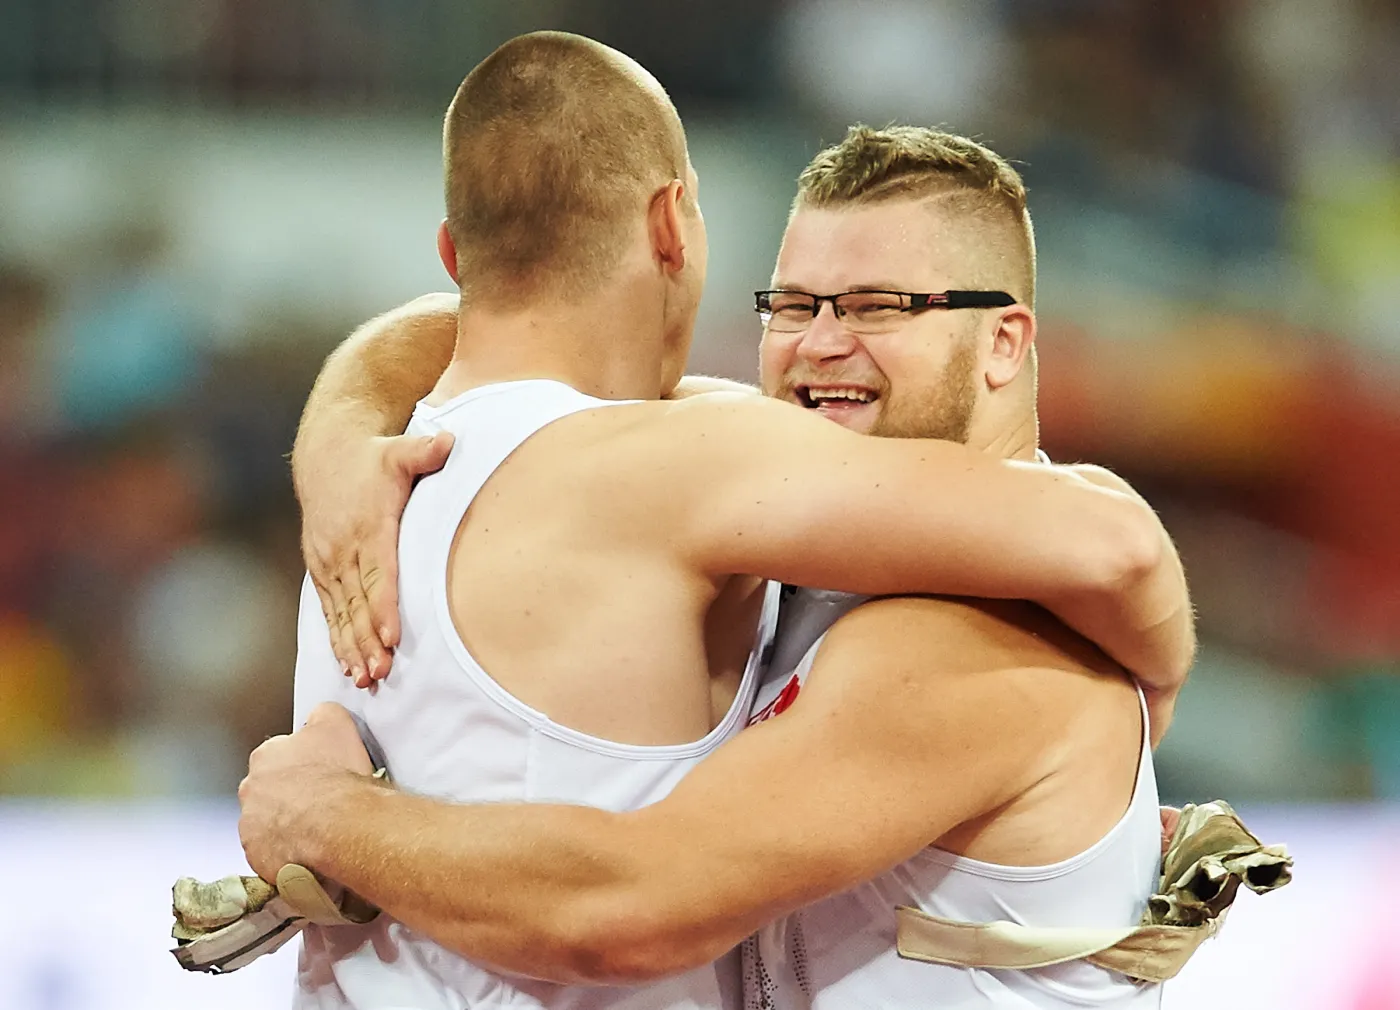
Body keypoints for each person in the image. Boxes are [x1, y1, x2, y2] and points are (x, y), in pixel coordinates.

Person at [238, 108, 1193, 1009]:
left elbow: (620, 912)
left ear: (1002, 342)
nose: (820, 345)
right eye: (793, 305)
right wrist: (339, 438)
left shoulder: (981, 647)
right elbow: (492, 327)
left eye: (872, 307)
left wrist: (324, 817)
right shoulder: (789, 498)